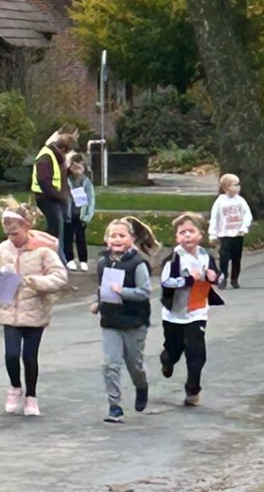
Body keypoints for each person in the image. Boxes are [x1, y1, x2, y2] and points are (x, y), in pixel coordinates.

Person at [0, 202, 70, 417]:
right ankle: (15, 387)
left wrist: (34, 282)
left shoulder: (43, 250)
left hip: (35, 309)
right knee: (11, 354)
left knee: (30, 356)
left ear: (26, 227)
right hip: (9, 309)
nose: (11, 238)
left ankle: (31, 396)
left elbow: (60, 277)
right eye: (8, 234)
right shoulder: (2, 249)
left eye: (15, 233)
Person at [92, 216, 152, 421]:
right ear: (106, 239)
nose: (116, 239)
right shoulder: (103, 262)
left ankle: (141, 386)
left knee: (134, 365)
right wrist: (98, 303)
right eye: (112, 235)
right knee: (110, 364)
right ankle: (114, 406)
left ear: (132, 238)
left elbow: (145, 292)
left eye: (121, 235)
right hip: (110, 321)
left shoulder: (138, 264)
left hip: (134, 322)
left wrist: (123, 291)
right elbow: (103, 288)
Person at [159, 214, 220, 406]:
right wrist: (188, 280)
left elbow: (219, 279)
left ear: (200, 235)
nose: (187, 236)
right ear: (177, 237)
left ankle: (193, 390)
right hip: (174, 315)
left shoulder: (205, 257)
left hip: (197, 312)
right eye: (182, 232)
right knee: (174, 350)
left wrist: (214, 277)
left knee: (197, 352)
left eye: (191, 231)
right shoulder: (173, 259)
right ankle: (167, 359)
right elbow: (165, 282)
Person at [33, 126, 77, 249]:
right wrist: (59, 196)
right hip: (47, 198)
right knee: (55, 229)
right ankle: (43, 251)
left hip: (55, 197)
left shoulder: (55, 156)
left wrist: (69, 172)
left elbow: (56, 174)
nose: (67, 155)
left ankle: (56, 256)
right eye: (67, 152)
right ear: (63, 148)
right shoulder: (46, 157)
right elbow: (44, 181)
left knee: (58, 229)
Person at [207, 173, 253, 289]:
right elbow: (214, 218)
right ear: (226, 187)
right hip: (224, 234)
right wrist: (212, 234)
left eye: (239, 184)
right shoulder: (220, 202)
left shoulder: (240, 201)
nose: (238, 187)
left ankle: (235, 278)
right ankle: (223, 276)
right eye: (235, 185)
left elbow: (247, 215)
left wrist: (244, 228)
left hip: (237, 234)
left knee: (236, 258)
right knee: (224, 257)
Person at [63, 151, 96, 270]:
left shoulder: (86, 182)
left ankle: (83, 260)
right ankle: (69, 258)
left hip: (81, 214)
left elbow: (91, 199)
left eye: (79, 167)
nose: (77, 170)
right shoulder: (66, 181)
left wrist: (88, 216)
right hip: (69, 214)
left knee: (81, 238)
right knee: (68, 237)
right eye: (74, 167)